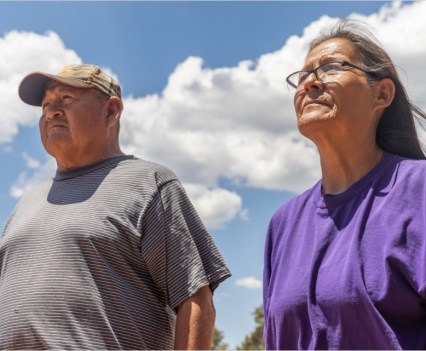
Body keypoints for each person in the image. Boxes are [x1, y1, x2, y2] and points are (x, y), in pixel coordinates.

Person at [0, 64, 231, 350]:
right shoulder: (26, 203)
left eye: (67, 99)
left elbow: (196, 301)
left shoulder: (149, 183)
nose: (51, 111)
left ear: (111, 111)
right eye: (46, 104)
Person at [263, 19, 426, 350]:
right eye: (304, 74)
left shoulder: (419, 190)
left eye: (331, 67)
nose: (310, 83)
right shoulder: (283, 224)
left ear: (381, 93)